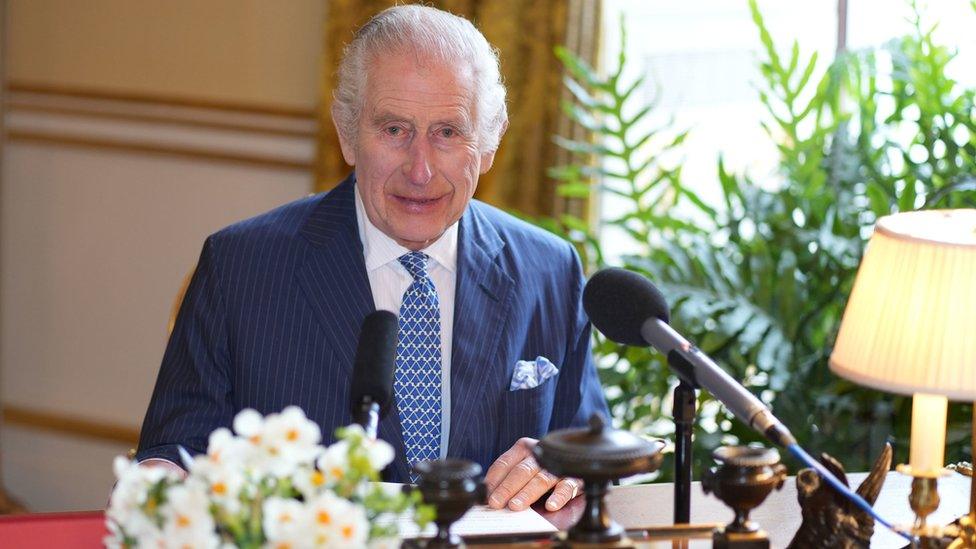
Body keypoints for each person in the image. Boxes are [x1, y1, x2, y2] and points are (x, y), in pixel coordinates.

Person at [136, 4, 608, 513]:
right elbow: (174, 451)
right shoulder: (240, 267)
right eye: (393, 130)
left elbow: (590, 442)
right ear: (346, 133)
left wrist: (561, 463)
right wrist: (161, 479)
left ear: (489, 144)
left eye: (448, 132)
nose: (420, 170)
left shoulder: (550, 270)